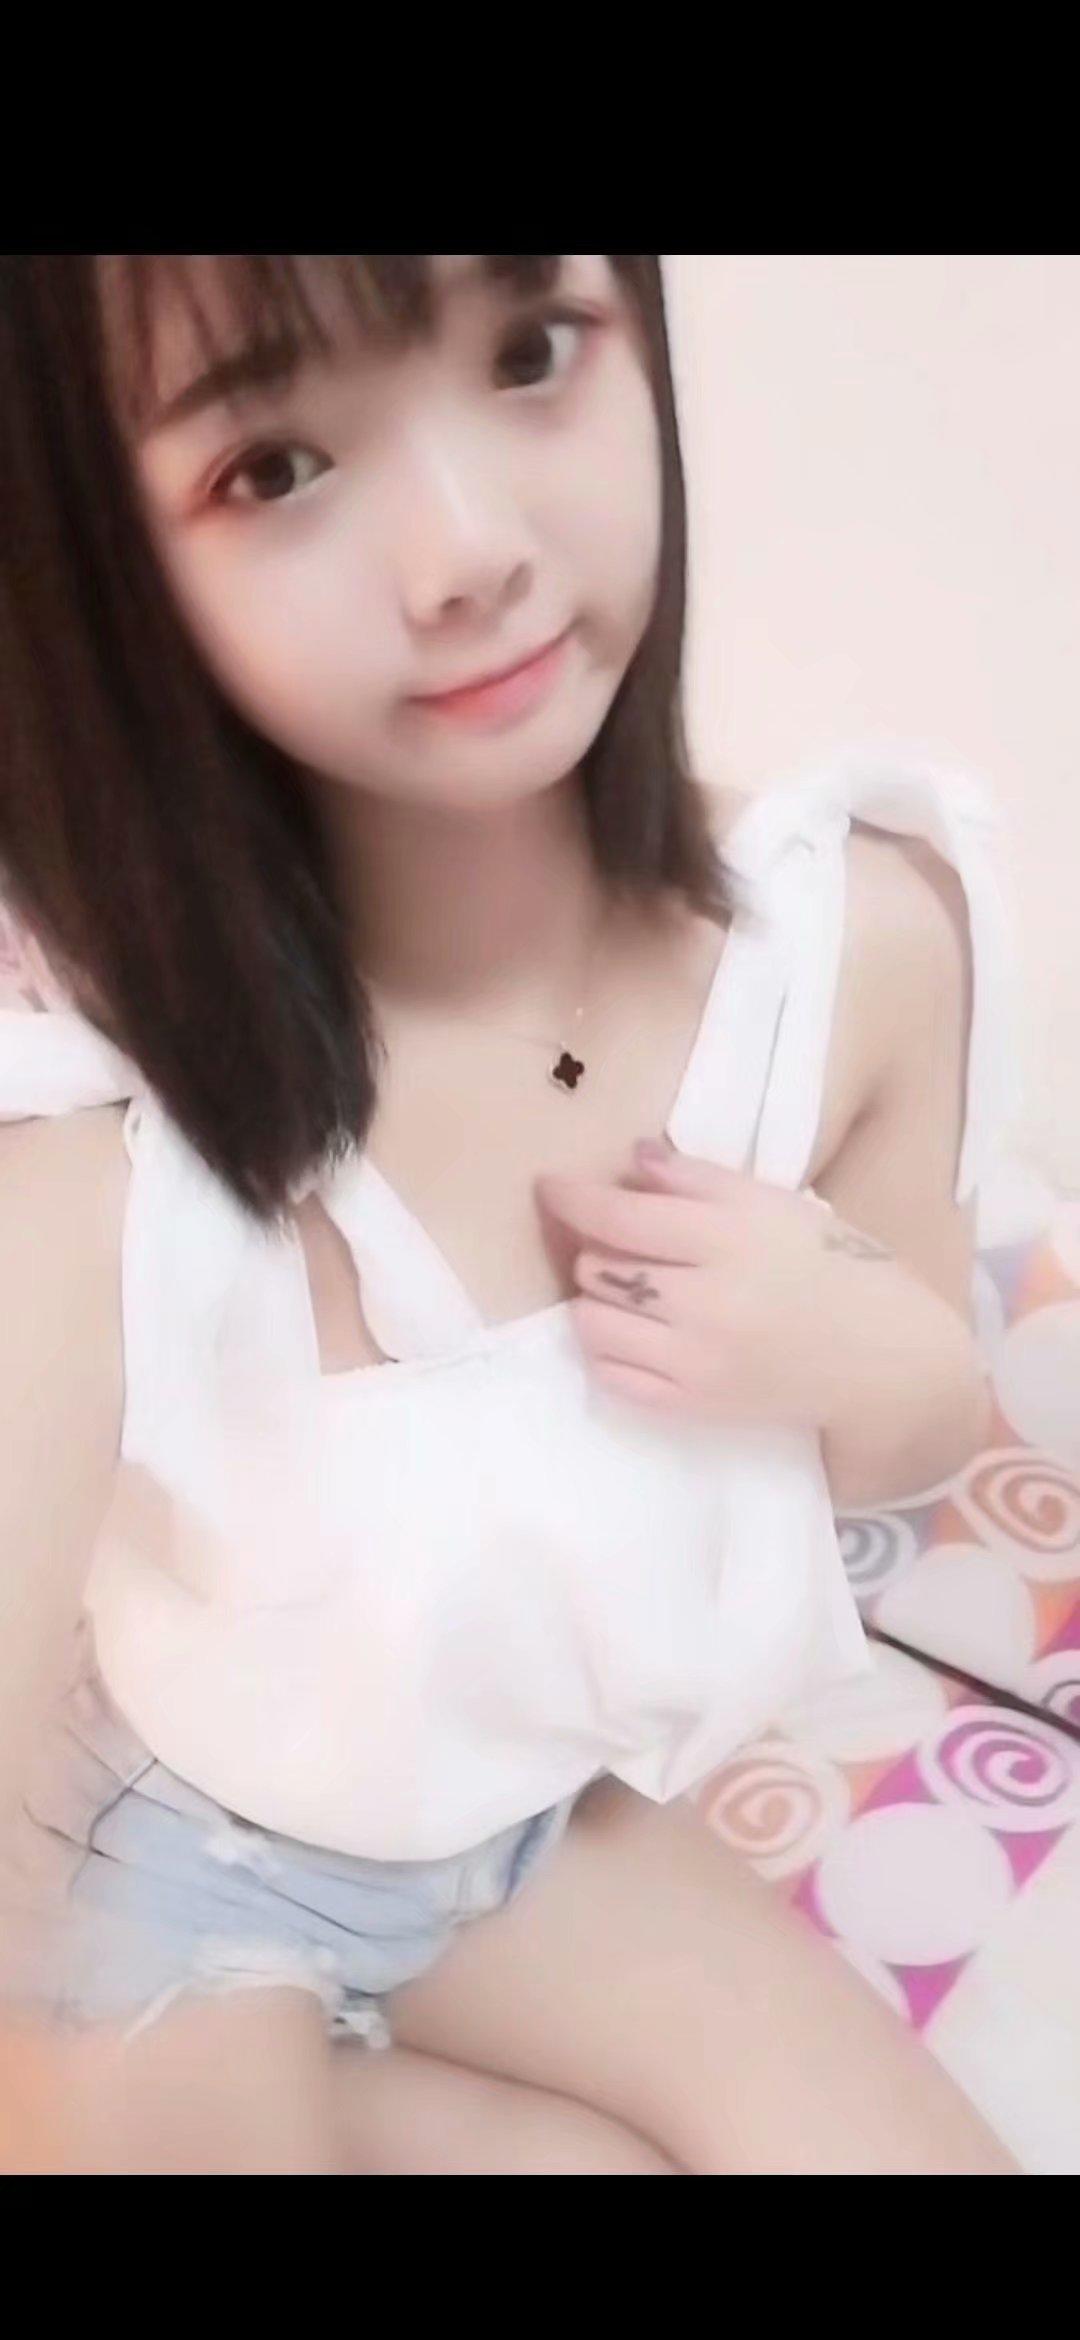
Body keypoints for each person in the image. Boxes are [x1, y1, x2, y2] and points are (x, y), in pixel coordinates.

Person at [0, 254, 1020, 2175]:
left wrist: (855, 1336)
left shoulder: (860, 942)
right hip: (169, 1878)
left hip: (526, 1830)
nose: (465, 550)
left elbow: (921, 1437)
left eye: (532, 351)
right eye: (276, 466)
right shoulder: (100, 1119)